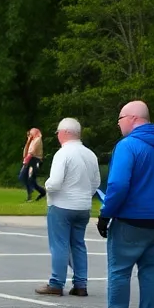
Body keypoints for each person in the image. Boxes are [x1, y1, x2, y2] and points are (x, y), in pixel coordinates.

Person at [83, 101, 154, 308]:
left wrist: (105, 213)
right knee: (151, 271)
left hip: (131, 219)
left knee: (120, 271)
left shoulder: (128, 146)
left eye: (119, 119)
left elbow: (118, 184)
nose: (118, 125)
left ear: (131, 118)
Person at [35, 118, 100, 298]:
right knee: (78, 244)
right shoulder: (90, 154)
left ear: (64, 132)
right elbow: (96, 183)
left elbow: (55, 183)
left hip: (62, 205)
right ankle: (81, 284)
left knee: (60, 245)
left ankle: (56, 282)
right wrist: (85, 194)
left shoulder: (63, 154)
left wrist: (46, 186)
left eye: (57, 132)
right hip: (83, 206)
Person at [19, 127, 47, 201]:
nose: (30, 135)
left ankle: (36, 194)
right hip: (29, 160)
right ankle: (34, 192)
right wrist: (28, 141)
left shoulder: (38, 140)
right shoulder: (32, 140)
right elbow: (25, 153)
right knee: (22, 176)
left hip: (35, 161)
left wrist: (25, 162)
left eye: (31, 133)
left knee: (31, 178)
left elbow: (31, 152)